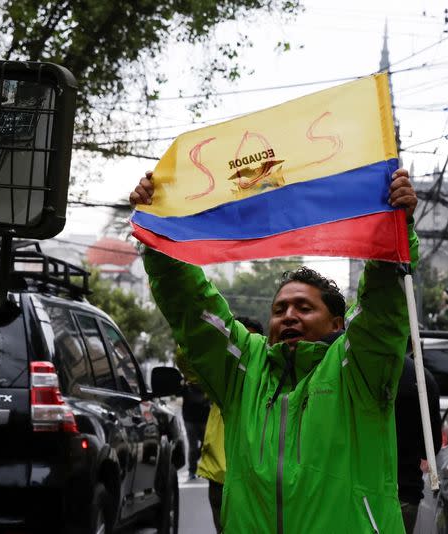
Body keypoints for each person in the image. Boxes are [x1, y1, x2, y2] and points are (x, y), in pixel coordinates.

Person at [130, 167, 419, 533]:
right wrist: (159, 238)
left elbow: (382, 306)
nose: (289, 316)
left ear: (337, 324)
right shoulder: (243, 370)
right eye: (279, 309)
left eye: (304, 307)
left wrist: (396, 229)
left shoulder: (357, 371)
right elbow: (191, 306)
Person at [196, 316, 265, 533]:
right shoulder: (220, 376)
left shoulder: (273, 379)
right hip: (221, 476)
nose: (243, 350)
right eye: (238, 341)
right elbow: (188, 356)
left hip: (259, 478)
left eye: (250, 342)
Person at [396, 349, 441, 533]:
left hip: (360, 493)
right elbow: (430, 447)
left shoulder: (353, 370)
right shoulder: (422, 379)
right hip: (405, 494)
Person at [180, 379, 210, 481]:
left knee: (207, 444)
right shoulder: (187, 385)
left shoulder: (206, 381)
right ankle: (192, 470)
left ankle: (198, 463)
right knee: (192, 447)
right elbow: (177, 392)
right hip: (190, 419)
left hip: (204, 419)